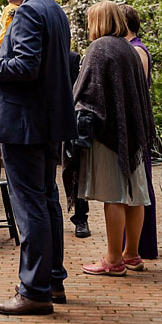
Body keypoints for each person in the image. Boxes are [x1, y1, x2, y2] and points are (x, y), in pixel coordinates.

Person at [0, 0, 76, 316]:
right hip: (46, 123)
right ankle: (53, 280)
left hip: (24, 124)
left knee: (30, 206)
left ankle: (33, 290)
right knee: (47, 201)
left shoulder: (29, 11)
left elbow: (27, 66)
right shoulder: (55, 10)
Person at [74, 1, 155, 277]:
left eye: (89, 20)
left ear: (98, 21)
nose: (87, 26)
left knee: (115, 196)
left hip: (109, 132)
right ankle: (131, 254)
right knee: (135, 194)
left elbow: (87, 92)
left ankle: (112, 259)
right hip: (133, 132)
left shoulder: (100, 47)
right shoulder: (129, 49)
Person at [118, 3, 157, 260]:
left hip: (136, 125)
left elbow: (137, 90)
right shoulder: (130, 49)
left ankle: (141, 245)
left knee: (140, 182)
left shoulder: (138, 51)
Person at [65, 50, 91, 239]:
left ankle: (81, 218)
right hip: (42, 119)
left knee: (74, 169)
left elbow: (79, 89)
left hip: (68, 117)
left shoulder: (72, 58)